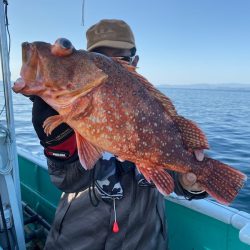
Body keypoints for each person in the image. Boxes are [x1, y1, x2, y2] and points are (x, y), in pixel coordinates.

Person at [31, 19, 207, 250]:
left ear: (134, 62)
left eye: (119, 59)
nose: (107, 69)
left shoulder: (153, 109)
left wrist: (189, 182)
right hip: (78, 240)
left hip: (146, 240)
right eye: (101, 60)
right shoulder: (72, 105)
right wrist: (58, 144)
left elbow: (171, 177)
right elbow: (66, 181)